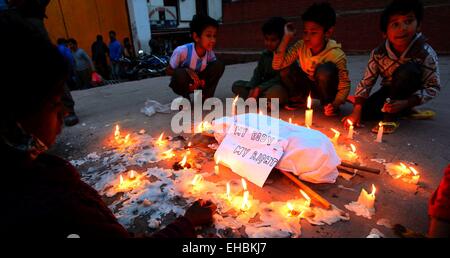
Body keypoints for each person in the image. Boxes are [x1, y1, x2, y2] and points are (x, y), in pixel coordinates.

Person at [0, 11, 216, 238]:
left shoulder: (41, 171)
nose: (64, 111)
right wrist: (186, 224)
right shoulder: (52, 203)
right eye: (54, 102)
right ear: (12, 121)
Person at [344, 0, 440, 134]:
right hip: (389, 91)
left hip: (409, 90)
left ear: (418, 25)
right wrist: (357, 110)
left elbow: (433, 86)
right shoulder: (379, 53)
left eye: (408, 21)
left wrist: (408, 101)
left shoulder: (425, 53)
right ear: (384, 33)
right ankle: (403, 111)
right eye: (395, 24)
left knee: (407, 71)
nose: (403, 28)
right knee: (365, 113)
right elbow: (367, 81)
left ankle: (391, 118)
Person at [8, 0, 79, 126]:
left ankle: (67, 109)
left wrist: (36, 6)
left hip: (29, 18)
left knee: (49, 67)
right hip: (8, 21)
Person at [272, 2, 351, 116]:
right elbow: (277, 65)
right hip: (309, 86)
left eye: (313, 33)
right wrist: (286, 37)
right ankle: (299, 98)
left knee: (324, 71)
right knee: (285, 70)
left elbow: (344, 84)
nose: (307, 37)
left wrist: (336, 103)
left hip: (326, 89)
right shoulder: (301, 46)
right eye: (305, 32)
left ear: (328, 32)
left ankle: (328, 105)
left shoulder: (336, 54)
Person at [232, 17, 290, 106]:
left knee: (275, 93)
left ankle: (260, 99)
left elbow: (279, 79)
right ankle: (260, 100)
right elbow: (258, 73)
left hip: (278, 87)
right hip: (262, 86)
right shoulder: (265, 54)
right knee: (236, 85)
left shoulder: (289, 55)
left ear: (282, 40)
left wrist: (259, 88)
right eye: (266, 39)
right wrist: (252, 87)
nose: (268, 43)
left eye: (273, 40)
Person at [166, 14, 225, 102]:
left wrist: (202, 81)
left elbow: (214, 70)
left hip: (200, 83)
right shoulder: (182, 51)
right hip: (185, 83)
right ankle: (185, 99)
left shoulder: (209, 52)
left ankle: (205, 97)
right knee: (180, 73)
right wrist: (188, 71)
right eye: (208, 36)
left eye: (214, 36)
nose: (213, 40)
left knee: (218, 65)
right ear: (196, 37)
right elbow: (168, 71)